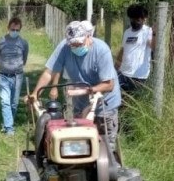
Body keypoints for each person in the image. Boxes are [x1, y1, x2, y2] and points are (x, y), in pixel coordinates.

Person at [31, 20, 121, 155]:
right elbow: (48, 73)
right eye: (73, 44)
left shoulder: (101, 50)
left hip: (104, 105)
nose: (76, 47)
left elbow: (109, 84)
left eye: (79, 43)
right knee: (78, 147)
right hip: (81, 105)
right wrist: (35, 94)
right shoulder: (64, 47)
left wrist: (84, 91)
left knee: (106, 151)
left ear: (88, 37)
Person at [0, 17, 29, 136]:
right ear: (8, 28)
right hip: (2, 76)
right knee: (5, 101)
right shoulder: (0, 41)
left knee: (14, 103)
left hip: (17, 76)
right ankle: (9, 128)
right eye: (12, 29)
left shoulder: (23, 43)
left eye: (17, 30)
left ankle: (7, 122)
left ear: (20, 30)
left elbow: (24, 59)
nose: (14, 31)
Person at [115, 4, 154, 97]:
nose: (135, 22)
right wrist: (116, 66)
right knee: (120, 102)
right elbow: (123, 49)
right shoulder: (127, 32)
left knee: (134, 103)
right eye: (132, 19)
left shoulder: (147, 31)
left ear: (144, 19)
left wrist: (155, 33)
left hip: (139, 75)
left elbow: (153, 46)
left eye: (138, 19)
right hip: (123, 73)